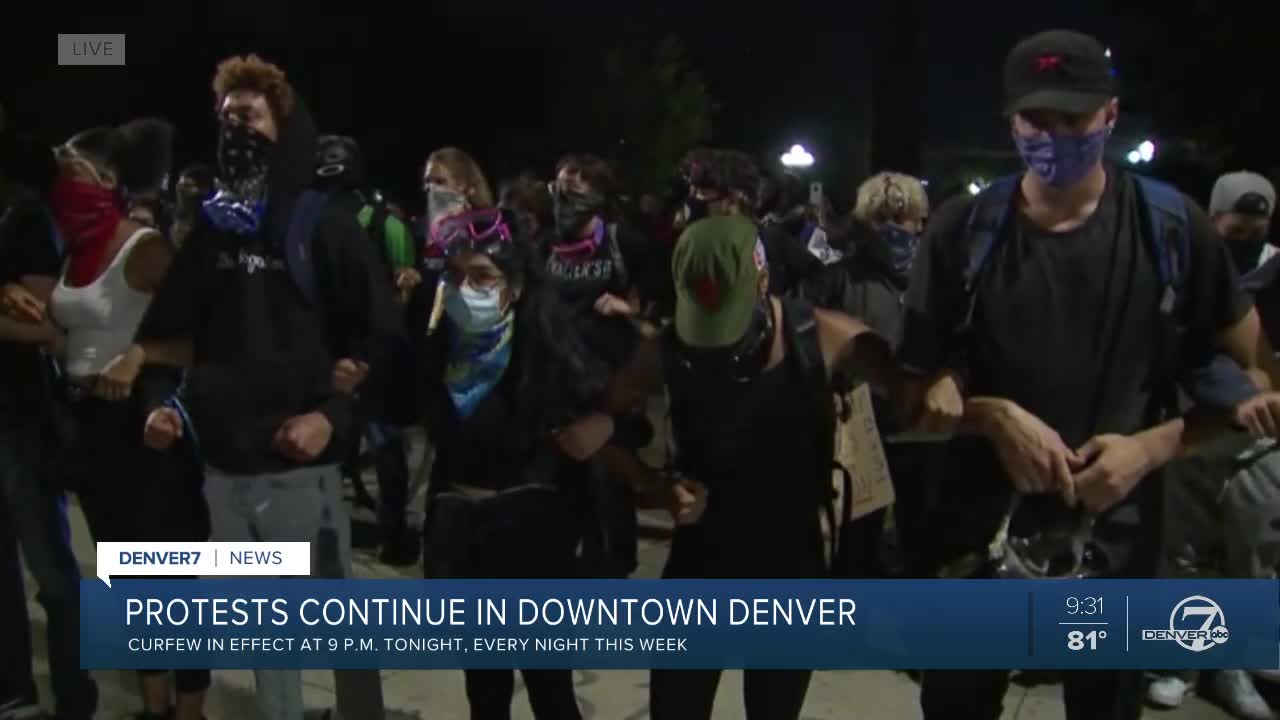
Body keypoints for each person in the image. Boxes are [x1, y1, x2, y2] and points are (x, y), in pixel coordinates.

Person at [900, 30, 1280, 720]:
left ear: (1109, 114)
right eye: (1036, 121)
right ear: (1010, 121)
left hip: (1116, 543)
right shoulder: (962, 231)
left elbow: (1260, 381)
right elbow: (911, 393)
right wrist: (990, 415)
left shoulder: (1173, 229)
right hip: (976, 541)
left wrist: (1151, 449)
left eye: (1072, 119)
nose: (1054, 137)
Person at [132, 54, 396, 720]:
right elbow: (177, 334)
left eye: (249, 116)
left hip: (300, 470)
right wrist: (166, 402)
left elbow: (381, 340)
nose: (235, 131)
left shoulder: (321, 223)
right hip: (225, 471)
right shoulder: (214, 227)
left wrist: (332, 416)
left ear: (285, 124)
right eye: (226, 119)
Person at [649, 214, 896, 720]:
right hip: (702, 559)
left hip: (790, 565)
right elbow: (598, 426)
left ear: (762, 281)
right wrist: (658, 486)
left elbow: (918, 404)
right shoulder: (667, 345)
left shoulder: (826, 337)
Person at [407, 205, 612, 720]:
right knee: (486, 687)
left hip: (532, 536)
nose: (466, 289)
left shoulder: (544, 348)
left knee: (548, 685)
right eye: (456, 277)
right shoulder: (439, 350)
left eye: (482, 277)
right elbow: (397, 403)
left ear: (515, 286)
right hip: (464, 534)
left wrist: (603, 424)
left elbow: (611, 406)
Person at [797, 170, 940, 577]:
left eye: (904, 218)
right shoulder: (835, 279)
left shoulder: (937, 281)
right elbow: (807, 346)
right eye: (882, 220)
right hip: (860, 430)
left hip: (924, 430)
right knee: (857, 544)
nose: (894, 229)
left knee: (923, 543)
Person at [0, 138, 97, 720]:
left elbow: (46, 327)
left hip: (19, 419)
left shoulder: (24, 214)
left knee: (53, 573)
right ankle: (13, 686)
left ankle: (74, 696)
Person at [314, 134, 419, 565]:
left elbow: (405, 285)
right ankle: (389, 535)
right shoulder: (384, 221)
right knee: (378, 442)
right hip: (367, 351)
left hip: (341, 350)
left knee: (346, 442)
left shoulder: (310, 218)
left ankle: (369, 533)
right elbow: (404, 293)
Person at [677, 148, 821, 297]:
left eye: (702, 192)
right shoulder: (692, 246)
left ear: (734, 198)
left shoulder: (775, 240)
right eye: (691, 190)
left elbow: (827, 273)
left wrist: (784, 311)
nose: (692, 199)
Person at [1210, 171, 1276, 274]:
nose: (1245, 239)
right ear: (1213, 222)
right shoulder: (1191, 262)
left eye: (1257, 233)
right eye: (1236, 230)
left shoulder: (1275, 267)